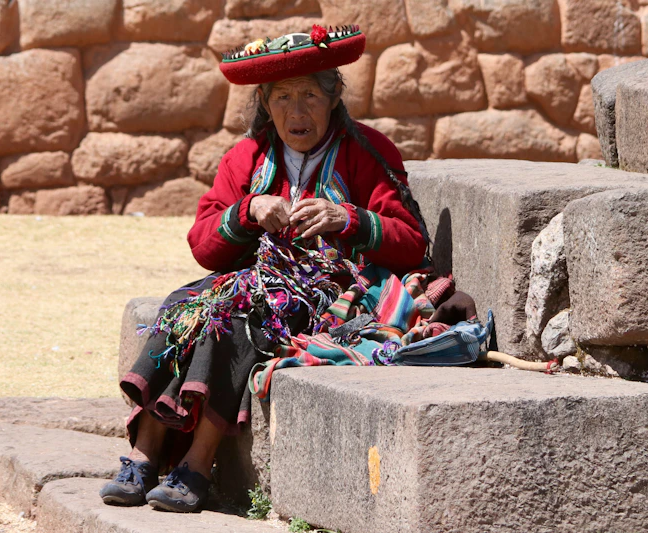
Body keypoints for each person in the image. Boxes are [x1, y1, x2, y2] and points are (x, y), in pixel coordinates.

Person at [99, 24, 427, 513]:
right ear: (265, 105)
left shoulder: (367, 152)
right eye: (283, 98)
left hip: (326, 293)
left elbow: (412, 242)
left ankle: (197, 466)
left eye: (310, 95)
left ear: (334, 98)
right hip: (249, 279)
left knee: (239, 320)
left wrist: (349, 219)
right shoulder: (247, 157)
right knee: (184, 306)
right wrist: (247, 210)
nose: (297, 112)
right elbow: (204, 246)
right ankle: (143, 457)